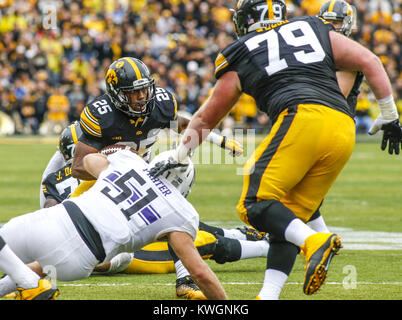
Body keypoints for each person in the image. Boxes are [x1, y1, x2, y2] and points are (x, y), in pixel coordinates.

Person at [150, 0, 402, 300]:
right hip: (343, 131)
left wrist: (180, 156)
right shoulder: (312, 26)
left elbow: (206, 118)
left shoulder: (241, 50)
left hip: (303, 118)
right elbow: (371, 60)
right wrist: (390, 115)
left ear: (245, 19)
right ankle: (267, 296)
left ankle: (314, 240)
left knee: (253, 203)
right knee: (286, 217)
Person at [69, 56, 243, 299]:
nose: (142, 97)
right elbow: (78, 166)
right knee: (76, 246)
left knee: (182, 169)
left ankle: (185, 278)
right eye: (134, 92)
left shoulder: (160, 103)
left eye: (144, 89)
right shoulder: (101, 114)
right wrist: (112, 164)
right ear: (118, 94)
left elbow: (180, 123)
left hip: (143, 178)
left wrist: (219, 140)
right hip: (104, 184)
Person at [37, 123, 268, 299]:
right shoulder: (105, 164)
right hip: (115, 252)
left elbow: (49, 217)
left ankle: (244, 236)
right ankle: (265, 246)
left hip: (102, 242)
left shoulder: (52, 180)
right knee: (196, 239)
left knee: (180, 228)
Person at [0, 149, 228, 300]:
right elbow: (200, 273)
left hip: (57, 221)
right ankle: (28, 282)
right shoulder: (182, 213)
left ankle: (29, 283)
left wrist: (112, 154)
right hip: (81, 261)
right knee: (38, 262)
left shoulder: (131, 163)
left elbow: (88, 160)